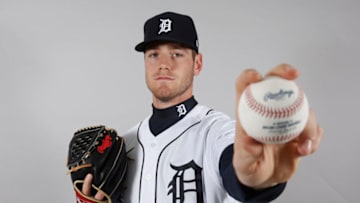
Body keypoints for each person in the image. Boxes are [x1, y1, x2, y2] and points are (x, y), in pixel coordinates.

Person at [80, 11, 323, 202]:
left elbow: (238, 171)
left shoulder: (217, 131)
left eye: (177, 54)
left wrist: (256, 181)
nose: (164, 64)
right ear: (144, 63)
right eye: (153, 54)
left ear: (197, 64)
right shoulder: (126, 143)